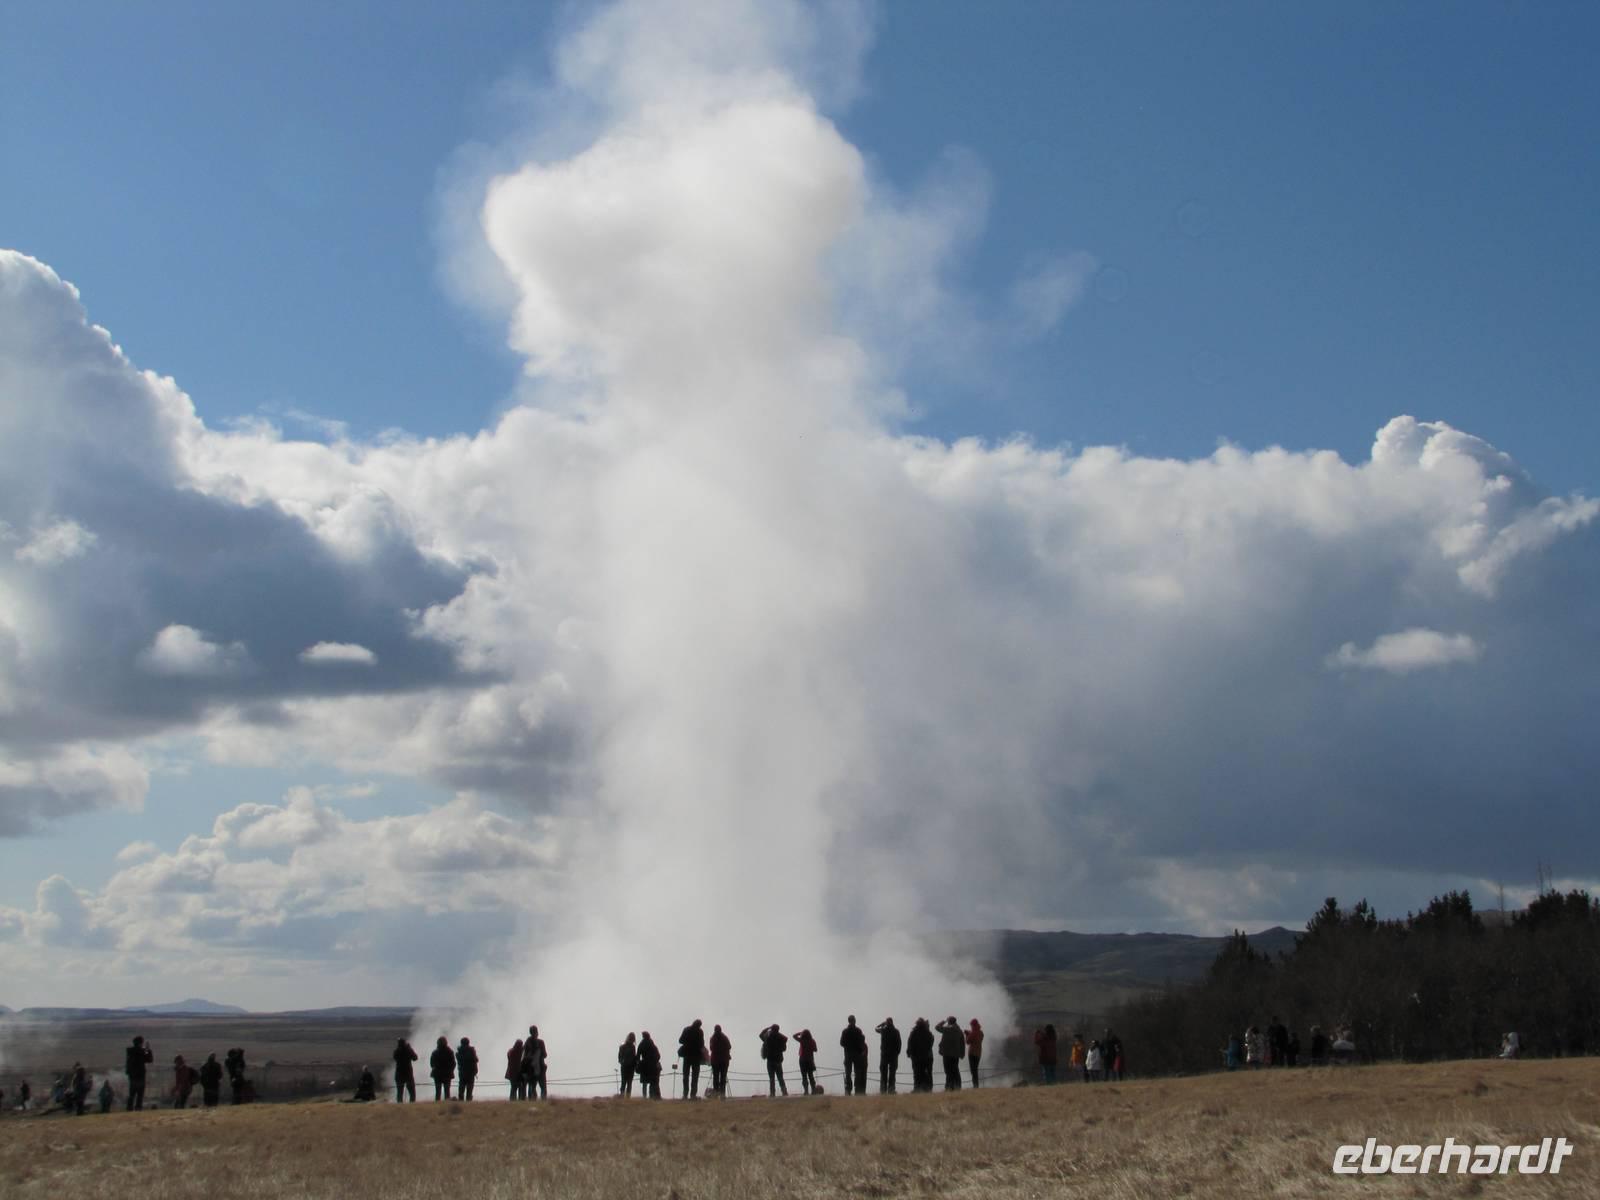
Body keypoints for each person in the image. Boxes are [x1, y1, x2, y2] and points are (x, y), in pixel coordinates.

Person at [840, 1016, 868, 1096]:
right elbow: (862, 1042)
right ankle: (857, 1090)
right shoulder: (858, 1031)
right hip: (857, 1055)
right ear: (854, 1021)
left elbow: (841, 1043)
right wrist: (859, 1049)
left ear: (848, 1021)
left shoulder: (845, 1031)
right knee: (857, 1073)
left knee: (848, 1073)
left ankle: (848, 1090)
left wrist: (848, 1046)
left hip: (848, 1054)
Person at [124, 1035, 154, 1111]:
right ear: (141, 1043)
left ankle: (129, 1108)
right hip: (140, 1076)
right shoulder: (142, 1051)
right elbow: (149, 1059)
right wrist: (148, 1050)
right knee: (140, 1094)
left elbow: (128, 1063)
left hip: (132, 1076)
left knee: (132, 1094)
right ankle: (138, 1108)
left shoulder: (130, 1052)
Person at [678, 1019, 706, 1099]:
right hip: (696, 1056)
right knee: (695, 1076)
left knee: (685, 1075)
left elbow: (680, 1040)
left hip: (687, 1055)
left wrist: (687, 1043)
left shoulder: (686, 1029)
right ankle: (693, 1095)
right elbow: (702, 1044)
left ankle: (685, 1094)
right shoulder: (700, 1032)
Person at [906, 1018, 935, 1092]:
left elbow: (910, 1043)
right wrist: (926, 1051)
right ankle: (926, 1088)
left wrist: (909, 1053)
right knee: (924, 1073)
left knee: (917, 1073)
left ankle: (917, 1088)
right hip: (925, 1056)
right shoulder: (927, 1033)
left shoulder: (914, 1032)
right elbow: (930, 1043)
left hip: (916, 1057)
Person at [935, 1017, 965, 1091]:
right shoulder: (959, 1030)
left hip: (947, 1053)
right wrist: (962, 1053)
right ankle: (957, 1086)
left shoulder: (948, 1029)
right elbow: (962, 1043)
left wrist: (943, 1021)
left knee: (948, 1071)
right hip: (956, 1054)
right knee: (955, 1070)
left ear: (949, 1022)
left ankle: (949, 1087)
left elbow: (937, 1027)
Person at [759, 1024, 789, 1097]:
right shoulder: (781, 1038)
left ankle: (772, 1093)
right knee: (780, 1077)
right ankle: (784, 1092)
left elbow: (760, 1035)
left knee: (771, 1078)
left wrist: (768, 1028)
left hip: (770, 1060)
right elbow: (784, 1049)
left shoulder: (768, 1038)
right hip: (778, 1060)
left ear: (772, 1029)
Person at [876, 1017, 902, 1093]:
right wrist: (897, 1052)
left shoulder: (883, 1031)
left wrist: (882, 1024)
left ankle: (883, 1089)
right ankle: (891, 1089)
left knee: (883, 1073)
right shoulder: (896, 1031)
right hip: (893, 1055)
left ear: (886, 1023)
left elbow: (876, 1028)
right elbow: (899, 1043)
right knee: (892, 1073)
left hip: (884, 1055)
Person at [522, 1026, 548, 1099]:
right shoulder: (541, 1042)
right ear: (536, 1032)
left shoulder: (527, 1043)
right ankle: (543, 1099)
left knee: (532, 1085)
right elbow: (545, 1055)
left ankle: (532, 1099)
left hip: (530, 1068)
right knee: (542, 1085)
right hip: (540, 1067)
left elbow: (523, 1056)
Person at [637, 1031, 662, 1099]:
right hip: (653, 1066)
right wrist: (655, 1061)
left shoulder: (641, 1044)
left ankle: (645, 1097)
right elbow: (658, 1056)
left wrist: (638, 1064)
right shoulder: (652, 1044)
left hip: (644, 1065)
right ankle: (652, 1096)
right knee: (653, 1082)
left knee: (645, 1083)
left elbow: (638, 1056)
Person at [708, 1024, 732, 1097]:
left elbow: (711, 1048)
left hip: (715, 1061)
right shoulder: (725, 1037)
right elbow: (729, 1046)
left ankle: (716, 1094)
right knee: (723, 1078)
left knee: (715, 1077)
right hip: (724, 1061)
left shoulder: (712, 1038)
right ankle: (722, 1094)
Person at [430, 1036, 456, 1101]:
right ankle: (447, 1103)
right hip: (447, 1074)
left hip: (437, 1074)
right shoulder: (450, 1052)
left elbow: (432, 1063)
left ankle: (437, 1103)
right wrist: (450, 1070)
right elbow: (453, 1063)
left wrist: (435, 1068)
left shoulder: (435, 1052)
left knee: (438, 1091)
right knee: (447, 1091)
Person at [392, 1038, 418, 1103]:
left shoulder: (397, 1051)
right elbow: (415, 1058)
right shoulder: (408, 1050)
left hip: (399, 1074)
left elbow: (395, 1057)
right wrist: (409, 1048)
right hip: (408, 1074)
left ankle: (400, 1106)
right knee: (412, 1092)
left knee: (399, 1092)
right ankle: (412, 1105)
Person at [795, 1028, 819, 1095]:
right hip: (810, 1059)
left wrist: (800, 1033)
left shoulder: (802, 1040)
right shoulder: (812, 1041)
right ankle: (813, 1090)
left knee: (804, 1076)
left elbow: (794, 1036)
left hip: (802, 1060)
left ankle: (806, 1091)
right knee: (811, 1075)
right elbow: (815, 1050)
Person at [965, 1019, 985, 1088]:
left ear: (973, 1025)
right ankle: (976, 1085)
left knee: (973, 1070)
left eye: (971, 1025)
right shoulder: (981, 1032)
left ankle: (975, 1086)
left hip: (972, 1053)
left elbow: (967, 1042)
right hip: (978, 1053)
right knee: (975, 1069)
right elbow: (978, 1037)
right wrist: (970, 1032)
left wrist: (967, 1034)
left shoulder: (973, 1033)